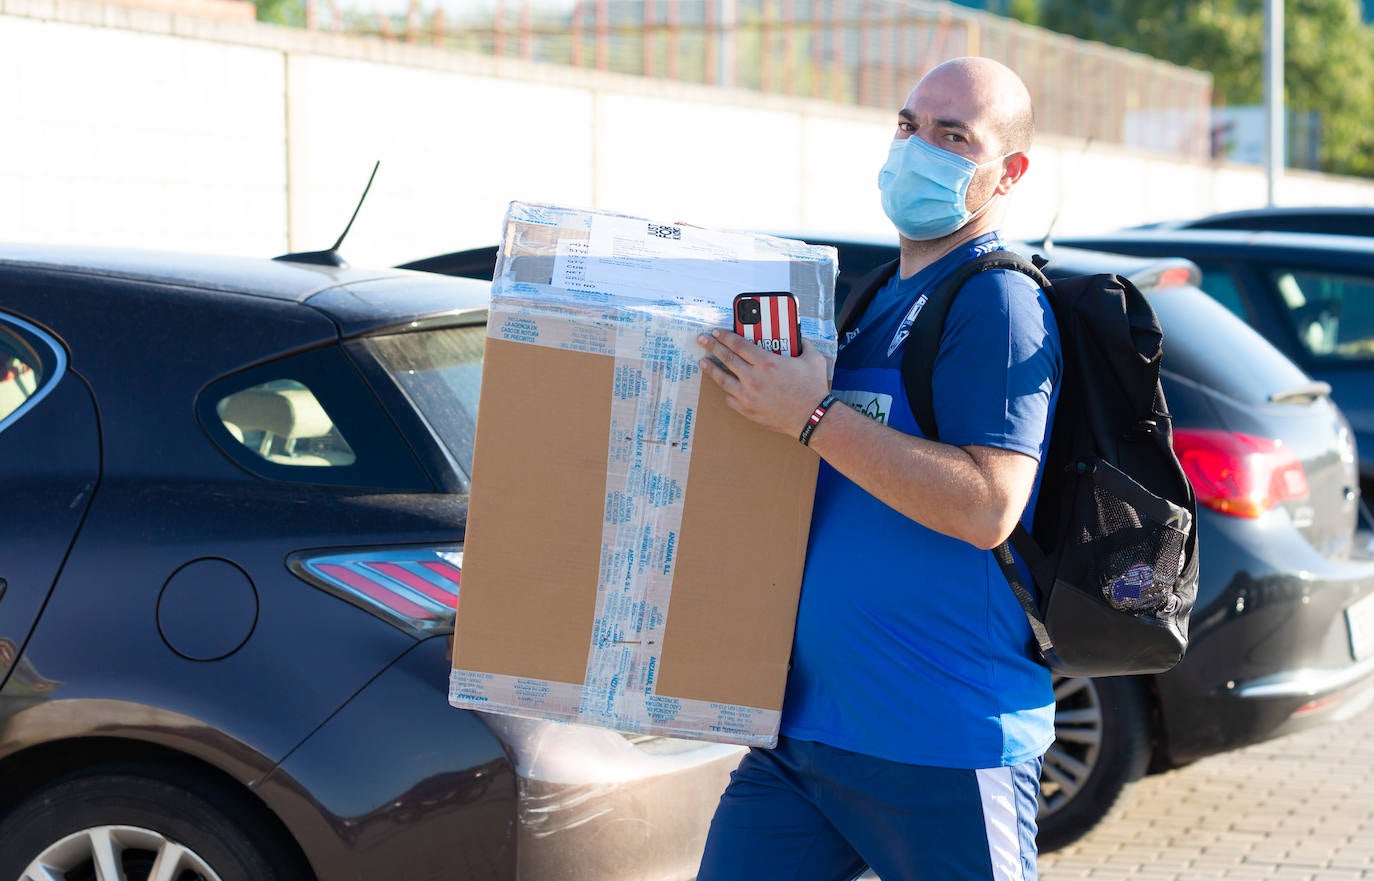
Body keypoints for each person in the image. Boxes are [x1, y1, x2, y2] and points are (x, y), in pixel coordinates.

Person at [694, 56, 1062, 881]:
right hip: (806, 737)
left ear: (1008, 174)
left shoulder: (998, 303)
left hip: (942, 741)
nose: (917, 147)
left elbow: (988, 506)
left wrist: (811, 414)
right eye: (908, 124)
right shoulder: (870, 301)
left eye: (952, 135)